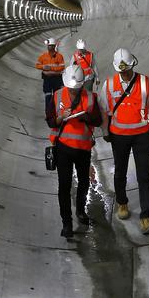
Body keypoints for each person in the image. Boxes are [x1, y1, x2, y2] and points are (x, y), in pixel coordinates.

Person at [101, 48, 149, 235]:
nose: (125, 74)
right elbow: (103, 110)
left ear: (133, 65)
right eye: (121, 71)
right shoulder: (108, 85)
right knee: (120, 172)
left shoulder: (144, 82)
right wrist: (105, 131)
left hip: (141, 136)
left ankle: (146, 217)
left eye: (127, 70)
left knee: (144, 176)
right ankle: (122, 203)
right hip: (119, 136)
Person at [46, 64, 103, 238]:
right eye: (70, 88)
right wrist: (61, 118)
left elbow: (99, 120)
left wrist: (86, 116)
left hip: (83, 149)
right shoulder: (57, 96)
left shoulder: (91, 98)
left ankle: (80, 211)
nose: (72, 91)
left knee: (84, 182)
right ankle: (67, 223)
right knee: (64, 185)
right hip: (63, 147)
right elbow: (50, 121)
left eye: (75, 89)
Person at [35, 38, 65, 106]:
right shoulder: (43, 56)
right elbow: (37, 65)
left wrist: (50, 70)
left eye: (51, 45)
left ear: (54, 46)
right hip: (47, 79)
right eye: (49, 45)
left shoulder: (59, 56)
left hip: (57, 79)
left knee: (56, 96)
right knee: (48, 96)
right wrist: (43, 67)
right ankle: (48, 114)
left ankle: (55, 113)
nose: (50, 47)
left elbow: (62, 67)